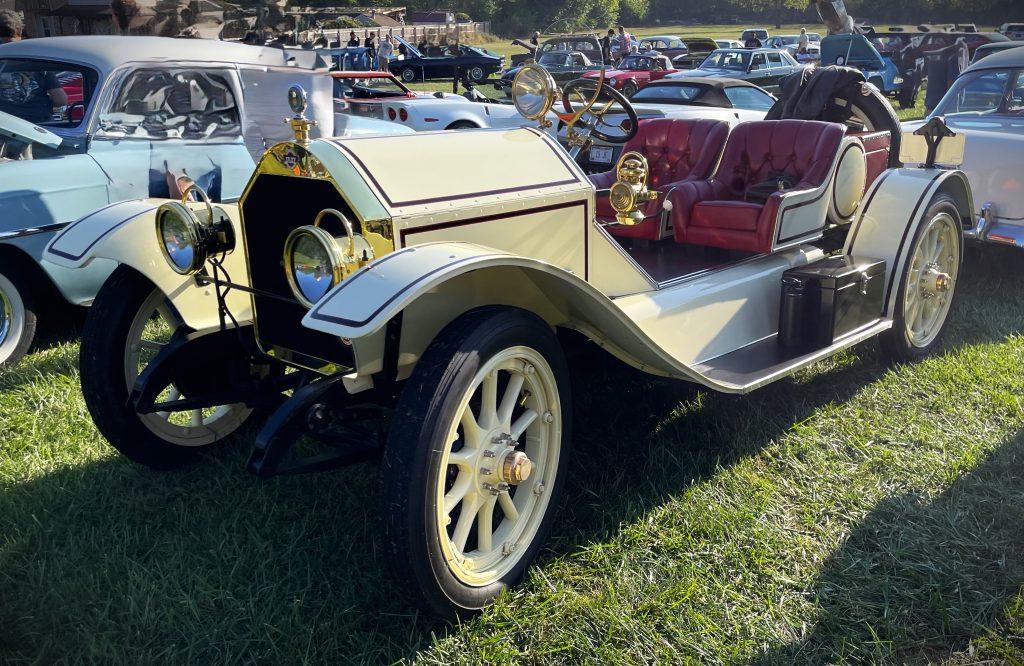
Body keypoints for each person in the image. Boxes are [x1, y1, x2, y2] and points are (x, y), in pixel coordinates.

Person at [0, 9, 68, 123]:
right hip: (40, 126)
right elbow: (60, 100)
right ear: (20, 31)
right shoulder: (36, 57)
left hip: (6, 127)